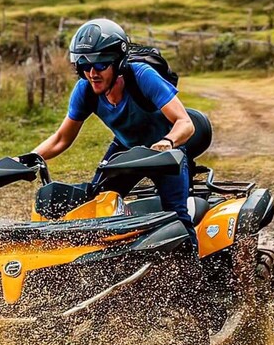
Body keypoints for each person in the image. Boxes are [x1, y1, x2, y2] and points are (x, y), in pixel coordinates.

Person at [28, 18, 198, 244]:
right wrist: (29, 159)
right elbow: (61, 138)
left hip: (164, 151)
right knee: (95, 205)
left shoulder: (142, 77)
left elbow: (185, 123)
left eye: (100, 65)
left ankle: (194, 274)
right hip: (125, 151)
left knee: (176, 215)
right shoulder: (85, 90)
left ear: (118, 63)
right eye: (84, 66)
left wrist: (167, 142)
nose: (92, 73)